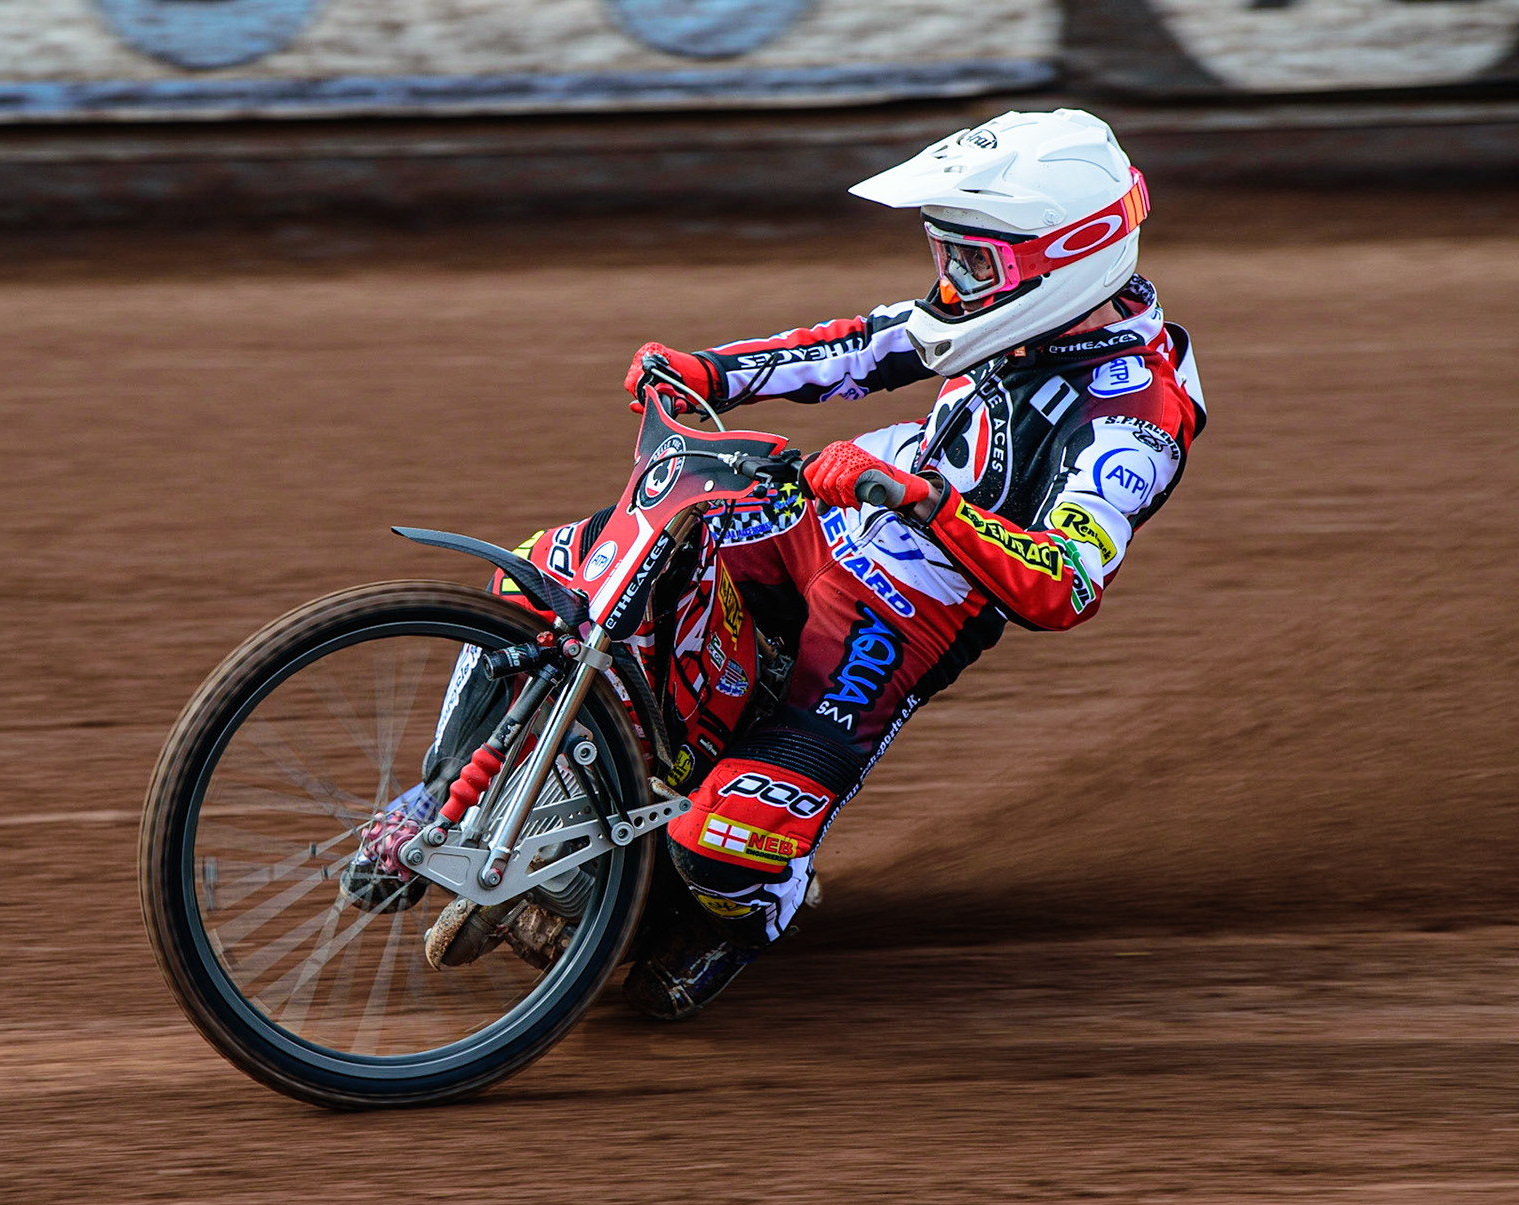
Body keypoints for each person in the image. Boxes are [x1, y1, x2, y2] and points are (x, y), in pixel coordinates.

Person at [349, 108, 1206, 1020]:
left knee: (725, 843)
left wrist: (918, 500)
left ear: (1067, 256)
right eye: (946, 253)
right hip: (820, 511)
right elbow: (870, 342)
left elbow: (1066, 582)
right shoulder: (1009, 313)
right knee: (548, 574)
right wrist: (709, 371)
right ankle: (443, 792)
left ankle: (748, 912)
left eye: (972, 263)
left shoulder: (1133, 417)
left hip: (904, 615)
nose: (950, 283)